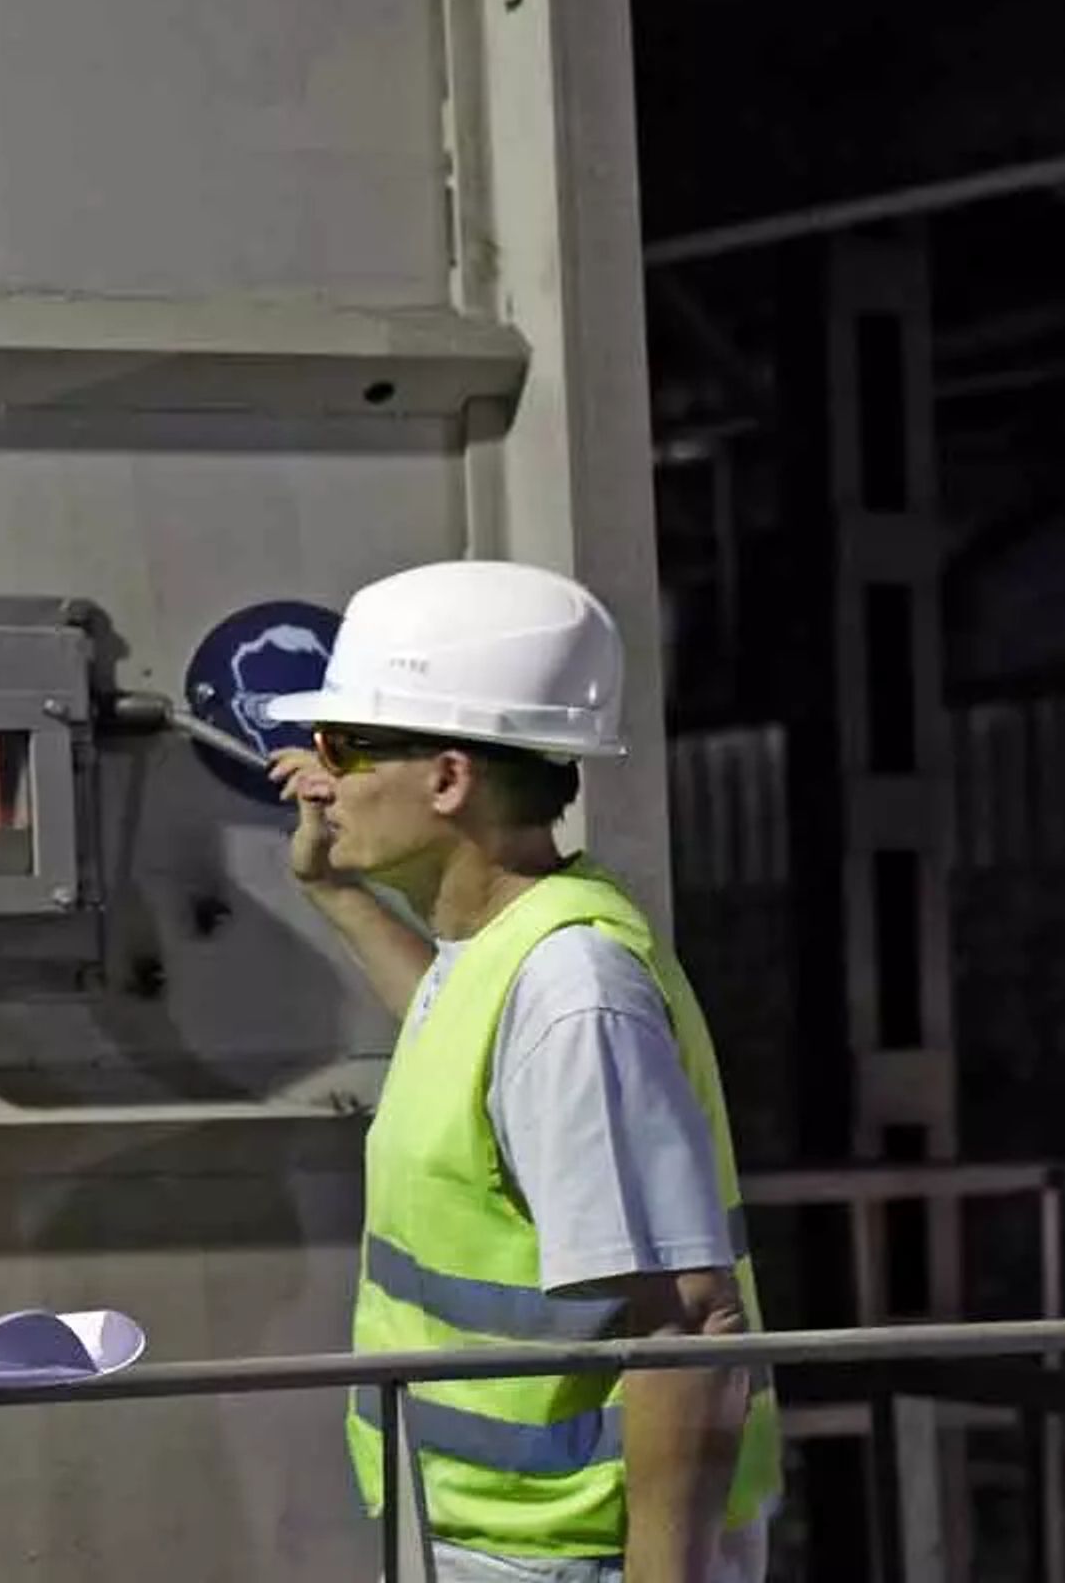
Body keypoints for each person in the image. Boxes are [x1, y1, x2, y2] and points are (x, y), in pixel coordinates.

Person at [262, 560, 782, 1583]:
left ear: (450, 778)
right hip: (501, 1539)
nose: (320, 774)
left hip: (570, 1556)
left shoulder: (570, 989)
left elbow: (688, 1318)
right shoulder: (506, 955)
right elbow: (464, 1044)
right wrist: (331, 893)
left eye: (346, 743)